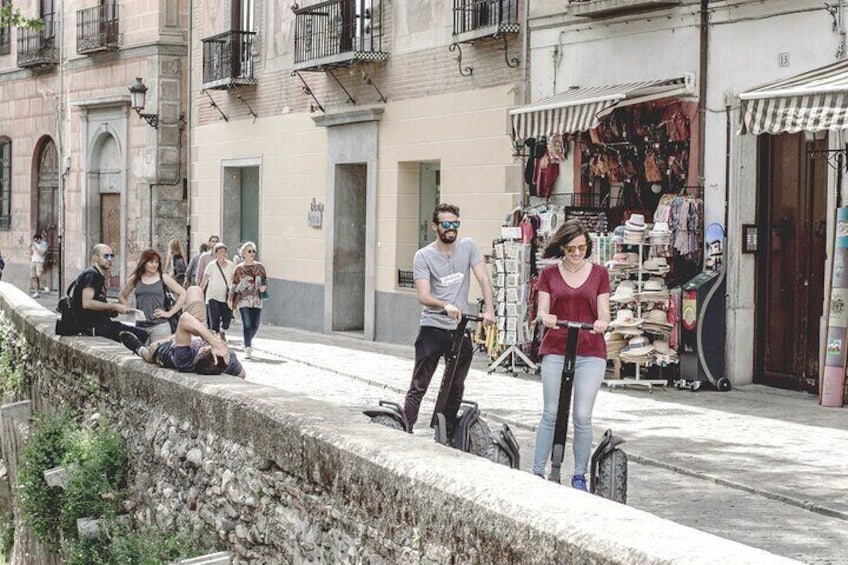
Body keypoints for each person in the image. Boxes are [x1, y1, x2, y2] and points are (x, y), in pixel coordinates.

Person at [402, 203, 495, 432]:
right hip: (432, 327)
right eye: (445, 224)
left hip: (459, 329)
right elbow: (424, 296)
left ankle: (444, 430)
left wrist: (490, 310)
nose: (451, 228)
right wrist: (446, 305)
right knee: (419, 384)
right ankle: (405, 428)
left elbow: (483, 278)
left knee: (456, 385)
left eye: (455, 224)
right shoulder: (423, 256)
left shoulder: (468, 246)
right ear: (435, 226)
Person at [533, 219, 610, 491]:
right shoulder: (549, 275)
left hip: (590, 350)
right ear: (562, 248)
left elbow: (604, 312)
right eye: (571, 249)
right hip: (556, 346)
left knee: (581, 415)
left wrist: (601, 322)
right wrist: (547, 317)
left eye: (582, 248)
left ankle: (579, 475)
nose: (577, 254)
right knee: (551, 412)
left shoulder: (600, 273)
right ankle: (537, 472)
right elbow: (542, 310)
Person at [119, 286, 245, 378]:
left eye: (202, 350)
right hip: (196, 329)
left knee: (149, 353)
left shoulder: (184, 359)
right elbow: (242, 375)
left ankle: (137, 347)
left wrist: (213, 342)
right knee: (194, 290)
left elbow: (184, 318)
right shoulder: (229, 361)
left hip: (166, 346)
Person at [64, 244, 148, 343]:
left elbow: (98, 303)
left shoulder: (98, 275)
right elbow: (87, 303)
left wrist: (114, 310)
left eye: (112, 256)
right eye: (106, 256)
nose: (110, 259)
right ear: (95, 257)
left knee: (140, 334)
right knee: (141, 335)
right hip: (91, 327)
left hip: (100, 324)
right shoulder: (92, 275)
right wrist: (114, 306)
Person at [118, 248, 187, 343]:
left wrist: (169, 313)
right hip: (140, 325)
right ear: (144, 263)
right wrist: (128, 308)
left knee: (158, 355)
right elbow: (122, 296)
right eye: (151, 262)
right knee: (140, 354)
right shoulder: (136, 279)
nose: (154, 265)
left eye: (156, 262)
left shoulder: (163, 277)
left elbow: (183, 293)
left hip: (160, 326)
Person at [230, 241, 267, 359]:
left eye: (253, 251)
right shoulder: (239, 269)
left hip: (256, 299)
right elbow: (234, 284)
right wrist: (230, 298)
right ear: (243, 253)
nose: (252, 253)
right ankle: (248, 347)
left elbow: (265, 281)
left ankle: (247, 340)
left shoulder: (260, 267)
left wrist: (263, 287)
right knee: (247, 323)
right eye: (249, 251)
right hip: (243, 298)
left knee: (255, 325)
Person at [199, 242, 234, 341]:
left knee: (227, 320)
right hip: (212, 296)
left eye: (224, 251)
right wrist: (199, 292)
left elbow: (234, 280)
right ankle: (216, 339)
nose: (223, 253)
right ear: (216, 254)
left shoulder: (231, 265)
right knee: (215, 319)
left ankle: (223, 330)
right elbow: (204, 280)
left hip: (226, 297)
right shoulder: (211, 265)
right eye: (220, 251)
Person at [29, 232, 48, 298]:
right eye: (35, 240)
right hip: (33, 261)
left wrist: (36, 247)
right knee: (33, 277)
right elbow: (31, 253)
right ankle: (36, 292)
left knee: (39, 274)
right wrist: (30, 248)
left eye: (37, 240)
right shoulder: (34, 244)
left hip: (39, 261)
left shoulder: (44, 244)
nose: (36, 242)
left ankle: (45, 287)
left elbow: (42, 253)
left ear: (40, 239)